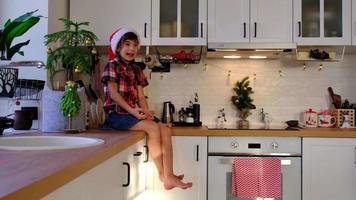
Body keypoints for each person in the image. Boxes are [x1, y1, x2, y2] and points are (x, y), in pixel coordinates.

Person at [101, 27, 192, 190]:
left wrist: (147, 112)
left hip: (134, 112)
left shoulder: (136, 70)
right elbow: (113, 95)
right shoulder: (111, 66)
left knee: (164, 128)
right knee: (152, 128)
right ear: (118, 47)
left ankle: (169, 175)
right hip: (116, 115)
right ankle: (162, 174)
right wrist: (133, 111)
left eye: (135, 45)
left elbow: (141, 97)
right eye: (127, 44)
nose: (131, 49)